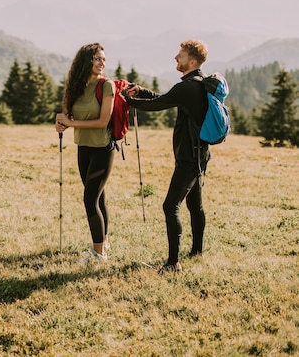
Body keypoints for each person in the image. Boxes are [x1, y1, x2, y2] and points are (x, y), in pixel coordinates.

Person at [122, 39, 211, 274]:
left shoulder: (188, 87)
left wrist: (128, 100)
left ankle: (173, 263)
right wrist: (141, 91)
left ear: (192, 61)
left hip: (189, 157)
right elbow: (165, 98)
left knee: (170, 206)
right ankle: (197, 251)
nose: (175, 58)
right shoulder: (198, 84)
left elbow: (157, 105)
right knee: (194, 204)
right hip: (200, 153)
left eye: (180, 55)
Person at [56, 43, 116, 263]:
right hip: (83, 147)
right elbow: (70, 115)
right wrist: (62, 123)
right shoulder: (76, 86)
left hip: (103, 148)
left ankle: (99, 254)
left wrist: (73, 124)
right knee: (98, 197)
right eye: (97, 59)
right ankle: (105, 241)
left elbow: (102, 122)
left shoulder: (106, 86)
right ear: (86, 61)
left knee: (90, 199)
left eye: (104, 59)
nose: (102, 63)